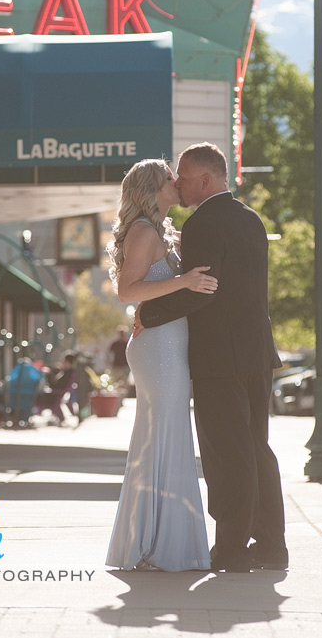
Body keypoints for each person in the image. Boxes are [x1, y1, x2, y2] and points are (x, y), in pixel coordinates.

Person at [135, 142, 288, 573]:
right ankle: (273, 547)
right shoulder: (250, 219)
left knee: (227, 454)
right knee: (257, 448)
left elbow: (201, 291)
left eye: (182, 177)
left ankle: (234, 550)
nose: (177, 184)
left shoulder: (203, 222)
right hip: (257, 352)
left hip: (220, 358)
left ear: (205, 179)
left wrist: (149, 313)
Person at [105, 158, 218, 572]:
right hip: (159, 347)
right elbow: (126, 290)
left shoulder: (161, 232)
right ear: (153, 186)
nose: (177, 181)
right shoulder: (142, 231)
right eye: (170, 176)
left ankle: (153, 542)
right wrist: (184, 281)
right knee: (166, 435)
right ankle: (158, 545)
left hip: (168, 342)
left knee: (162, 438)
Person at [107, 325, 131, 394]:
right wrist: (109, 362)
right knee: (116, 382)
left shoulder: (127, 344)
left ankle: (122, 397)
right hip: (116, 366)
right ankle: (117, 397)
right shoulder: (115, 344)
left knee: (124, 383)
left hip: (125, 366)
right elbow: (109, 354)